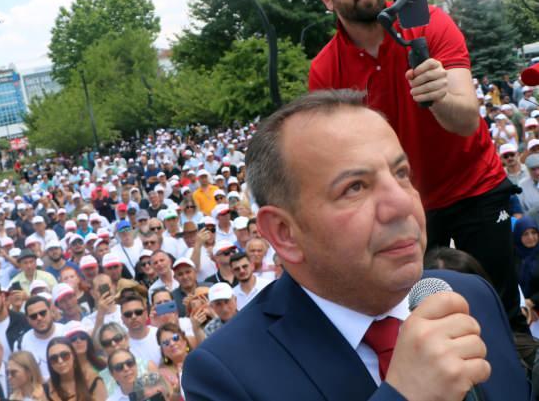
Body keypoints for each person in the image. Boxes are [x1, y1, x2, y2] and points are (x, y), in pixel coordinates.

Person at [182, 90, 529, 400]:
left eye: (401, 174)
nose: (403, 204)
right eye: (355, 187)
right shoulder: (226, 374)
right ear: (285, 233)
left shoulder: (471, 295)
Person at [307, 0, 522, 330]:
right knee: (428, 321)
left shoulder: (429, 23)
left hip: (474, 185)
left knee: (502, 311)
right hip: (406, 206)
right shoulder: (325, 70)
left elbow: (467, 121)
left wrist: (438, 96)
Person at [15, 295, 66, 380]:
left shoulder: (66, 332)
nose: (39, 318)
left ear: (50, 311)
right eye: (33, 316)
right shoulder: (20, 344)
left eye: (43, 313)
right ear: (27, 319)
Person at [119, 294, 161, 366]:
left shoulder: (160, 334)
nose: (133, 317)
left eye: (138, 312)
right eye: (128, 314)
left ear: (146, 314)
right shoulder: (120, 345)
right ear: (122, 319)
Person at [156, 322, 190, 398]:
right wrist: (178, 389)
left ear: (184, 341)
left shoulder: (199, 358)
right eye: (166, 343)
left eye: (175, 338)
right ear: (163, 351)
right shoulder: (162, 374)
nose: (172, 344)